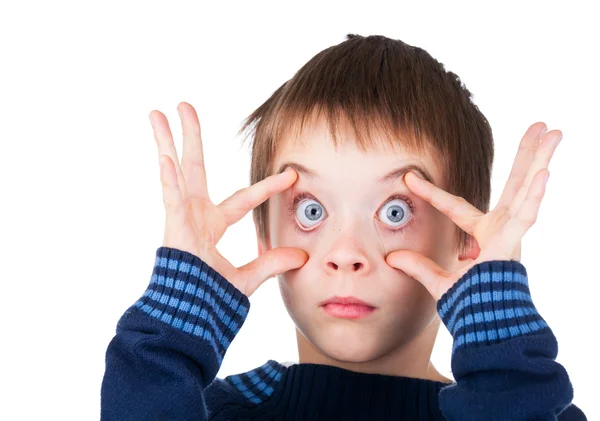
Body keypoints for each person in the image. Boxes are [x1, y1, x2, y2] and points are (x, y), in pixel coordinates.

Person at [100, 34, 587, 420]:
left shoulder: (529, 406)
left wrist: (500, 348)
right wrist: (172, 332)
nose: (346, 253)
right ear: (266, 233)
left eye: (395, 211)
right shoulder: (209, 413)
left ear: (466, 239)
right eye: (310, 210)